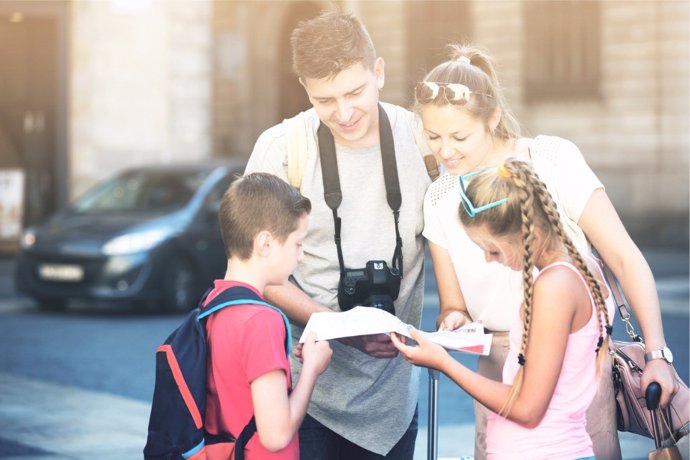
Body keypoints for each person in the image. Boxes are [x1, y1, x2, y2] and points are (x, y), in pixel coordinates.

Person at [415, 43, 679, 460]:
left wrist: (657, 353)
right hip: (498, 369)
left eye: (459, 136)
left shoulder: (551, 159)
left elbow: (624, 258)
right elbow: (454, 304)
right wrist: (453, 320)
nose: (444, 151)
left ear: (493, 118)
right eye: (432, 137)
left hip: (575, 367)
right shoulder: (440, 196)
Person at [244, 8, 431, 460]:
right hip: (301, 398)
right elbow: (255, 274)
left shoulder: (425, 140)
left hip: (393, 407)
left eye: (355, 92)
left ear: (379, 72)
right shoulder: (282, 149)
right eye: (325, 100)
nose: (344, 113)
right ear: (305, 88)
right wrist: (340, 327)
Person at [393, 158, 613, 459]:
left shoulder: (554, 287)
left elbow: (527, 408)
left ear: (531, 236)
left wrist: (443, 362)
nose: (488, 259)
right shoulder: (583, 269)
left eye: (493, 249)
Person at [204, 172, 332, 459]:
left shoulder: (214, 304)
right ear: (265, 244)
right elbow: (276, 435)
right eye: (298, 243)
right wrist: (312, 367)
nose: (300, 256)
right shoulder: (261, 321)